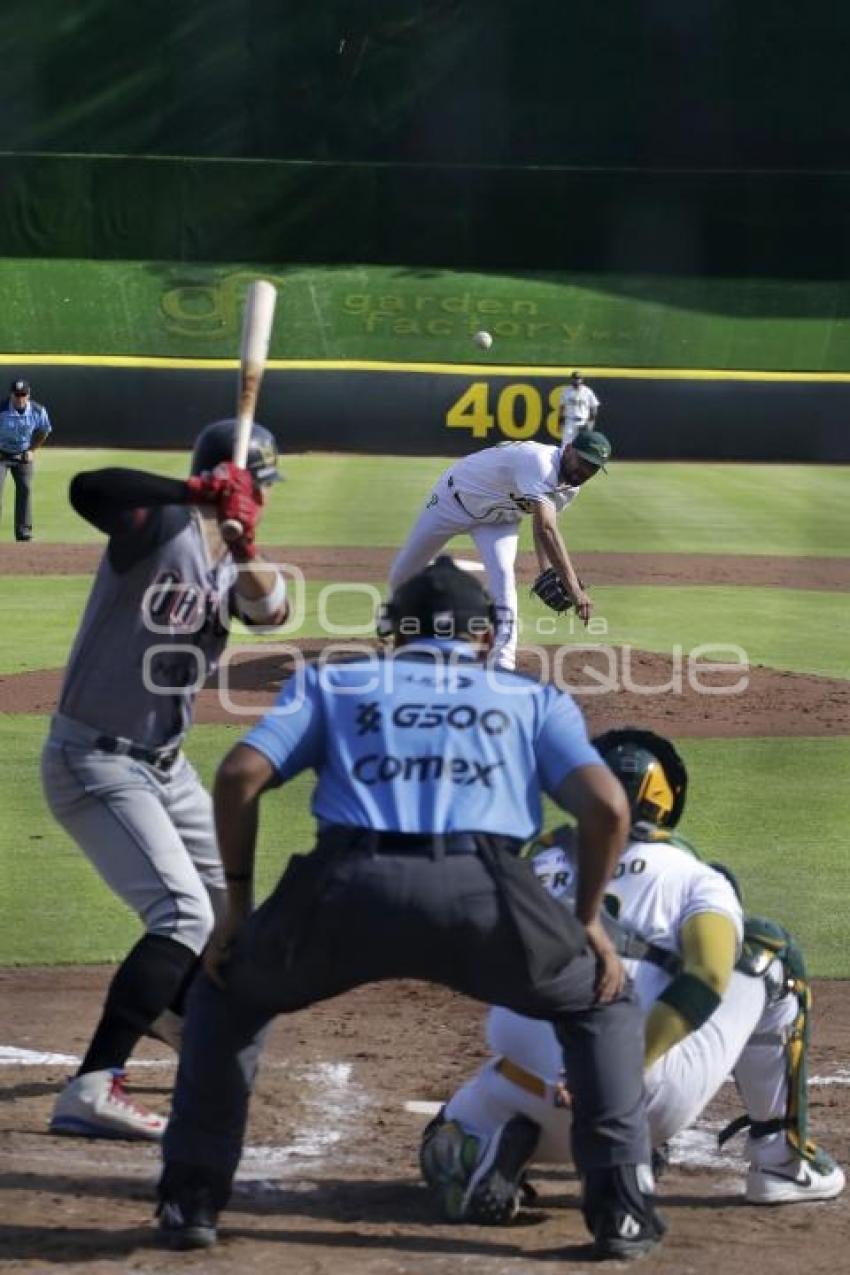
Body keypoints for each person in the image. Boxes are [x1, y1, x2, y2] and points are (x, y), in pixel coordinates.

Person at [156, 557, 666, 1261]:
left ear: (391, 633)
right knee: (600, 1004)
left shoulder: (332, 682)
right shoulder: (530, 697)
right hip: (487, 893)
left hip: (346, 887)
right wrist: (583, 923)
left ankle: (192, 1196)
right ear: (485, 636)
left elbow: (241, 773)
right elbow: (609, 806)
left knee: (223, 992)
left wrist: (237, 909)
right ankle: (623, 1210)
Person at [419, 728, 845, 1218]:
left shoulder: (530, 865)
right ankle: (779, 1162)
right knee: (767, 950)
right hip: (640, 1100)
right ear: (666, 802)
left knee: (443, 1144)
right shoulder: (691, 875)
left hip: (523, 1090)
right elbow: (707, 975)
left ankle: (483, 1152)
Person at [42, 418, 289, 1141]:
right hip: (95, 759)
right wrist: (195, 490)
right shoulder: (160, 525)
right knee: (182, 914)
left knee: (229, 911)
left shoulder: (230, 559)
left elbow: (271, 613)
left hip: (166, 767)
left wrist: (244, 539)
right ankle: (94, 1084)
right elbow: (89, 488)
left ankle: (178, 1018)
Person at [388, 430, 611, 671]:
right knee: (402, 575)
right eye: (583, 462)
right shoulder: (540, 462)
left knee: (504, 578)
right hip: (451, 502)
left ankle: (503, 662)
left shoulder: (570, 488)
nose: (585, 472)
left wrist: (545, 569)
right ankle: (405, 634)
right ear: (568, 450)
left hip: (499, 520)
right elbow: (547, 528)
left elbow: (541, 524)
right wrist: (575, 591)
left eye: (593, 468)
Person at [0, 377, 52, 541]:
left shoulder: (38, 410)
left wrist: (32, 450)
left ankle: (23, 532)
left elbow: (44, 431)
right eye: (17, 395)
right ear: (11, 395)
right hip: (1, 454)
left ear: (28, 394)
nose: (20, 398)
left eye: (23, 394)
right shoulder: (1, 409)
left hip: (23, 454)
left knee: (25, 490)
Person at [557, 371, 600, 445]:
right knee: (565, 444)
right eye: (575, 378)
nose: (576, 380)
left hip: (583, 422)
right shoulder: (566, 391)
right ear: (571, 379)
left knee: (582, 445)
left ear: (582, 379)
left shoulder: (588, 391)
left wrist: (590, 423)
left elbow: (594, 407)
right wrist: (560, 422)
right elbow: (562, 408)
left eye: (578, 378)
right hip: (570, 421)